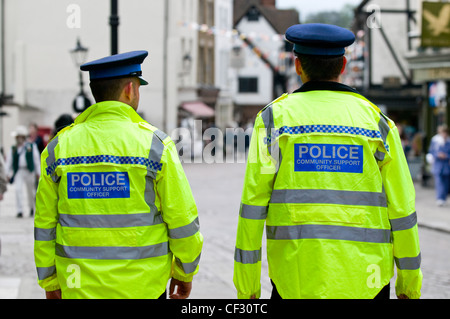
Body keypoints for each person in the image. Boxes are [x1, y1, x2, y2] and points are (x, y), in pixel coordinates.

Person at [233, 23, 422, 299]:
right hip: (367, 283)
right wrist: (409, 285)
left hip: (295, 282)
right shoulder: (377, 124)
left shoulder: (273, 121)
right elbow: (403, 211)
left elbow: (252, 207)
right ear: (343, 64)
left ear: (298, 65)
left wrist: (247, 286)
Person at [34, 51, 203, 299]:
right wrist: (184, 272)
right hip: (143, 290)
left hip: (79, 289)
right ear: (129, 90)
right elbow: (183, 222)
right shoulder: (156, 146)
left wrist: (50, 281)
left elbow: (45, 225)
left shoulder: (58, 148)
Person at [5, 125, 40, 217]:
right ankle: (19, 210)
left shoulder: (31, 146)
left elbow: (36, 160)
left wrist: (38, 173)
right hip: (19, 171)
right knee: (18, 190)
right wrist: (7, 173)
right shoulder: (13, 148)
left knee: (31, 191)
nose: (19, 139)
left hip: (29, 170)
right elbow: (9, 162)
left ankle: (32, 208)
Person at [428, 124, 450, 206]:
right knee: (439, 182)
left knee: (446, 183)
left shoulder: (448, 141)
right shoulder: (435, 141)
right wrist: (438, 155)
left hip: (447, 165)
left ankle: (443, 198)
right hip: (438, 164)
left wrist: (446, 156)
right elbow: (431, 152)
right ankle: (439, 198)